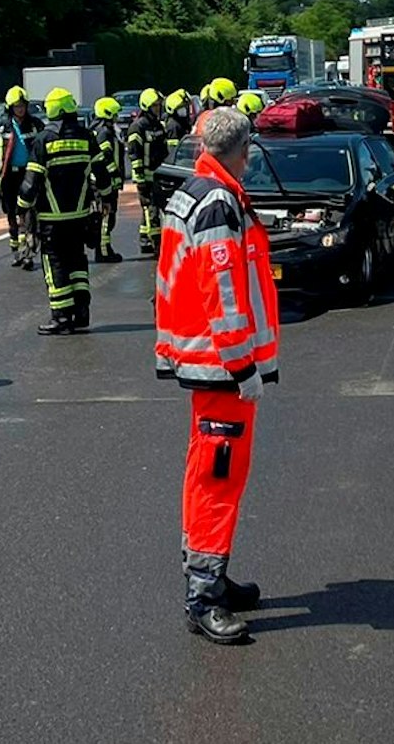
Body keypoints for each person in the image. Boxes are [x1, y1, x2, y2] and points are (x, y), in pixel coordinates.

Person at [155, 106, 280, 645]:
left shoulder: (198, 190)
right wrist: (242, 364)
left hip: (202, 358)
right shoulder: (217, 201)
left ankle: (208, 572)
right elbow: (223, 291)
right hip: (219, 363)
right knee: (218, 477)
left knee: (204, 470)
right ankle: (203, 594)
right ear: (241, 148)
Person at [22, 88, 113, 334]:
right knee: (78, 261)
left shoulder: (43, 139)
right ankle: (82, 312)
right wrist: (106, 198)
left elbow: (31, 182)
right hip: (80, 215)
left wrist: (22, 207)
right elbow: (102, 173)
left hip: (52, 218)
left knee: (55, 264)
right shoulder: (87, 136)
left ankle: (60, 317)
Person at [0, 86, 44, 270]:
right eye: (16, 106)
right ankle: (16, 252)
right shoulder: (2, 129)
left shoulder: (35, 125)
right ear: (10, 107)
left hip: (29, 174)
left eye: (22, 105)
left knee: (27, 214)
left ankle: (27, 254)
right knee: (12, 216)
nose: (20, 109)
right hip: (9, 177)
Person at [126, 88, 171, 254]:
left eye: (159, 106)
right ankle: (156, 244)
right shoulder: (137, 127)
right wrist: (139, 180)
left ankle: (145, 240)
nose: (158, 109)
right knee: (150, 210)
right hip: (146, 175)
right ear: (146, 107)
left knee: (151, 209)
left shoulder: (158, 125)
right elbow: (134, 155)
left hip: (158, 175)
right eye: (155, 106)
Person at [90, 96, 128, 263]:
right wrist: (115, 175)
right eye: (114, 114)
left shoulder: (100, 129)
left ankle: (104, 247)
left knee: (106, 215)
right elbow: (106, 157)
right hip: (106, 182)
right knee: (107, 215)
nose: (117, 117)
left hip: (102, 181)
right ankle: (104, 251)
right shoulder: (105, 132)